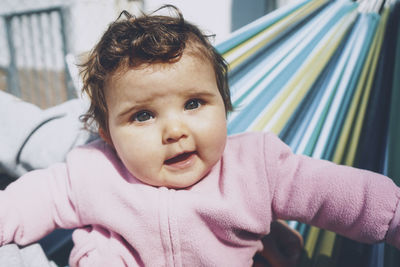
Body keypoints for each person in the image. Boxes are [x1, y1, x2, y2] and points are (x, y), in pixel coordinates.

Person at [1, 5, 399, 266]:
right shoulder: (93, 172)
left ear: (223, 105)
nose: (175, 130)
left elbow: (336, 192)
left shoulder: (255, 167)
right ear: (107, 134)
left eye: (194, 104)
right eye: (142, 116)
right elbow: (31, 200)